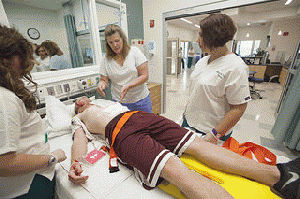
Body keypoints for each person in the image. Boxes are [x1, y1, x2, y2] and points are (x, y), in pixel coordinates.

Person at [68, 96, 300, 199]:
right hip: (120, 133)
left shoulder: (107, 103)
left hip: (141, 117)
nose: (80, 102)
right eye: (76, 104)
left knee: (198, 145)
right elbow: (79, 141)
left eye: (82, 99)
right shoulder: (80, 119)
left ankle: (278, 175)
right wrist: (75, 165)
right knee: (175, 170)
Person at [0, 25, 67, 199]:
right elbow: (4, 163)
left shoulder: (6, 94)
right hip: (27, 186)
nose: (24, 65)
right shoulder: (4, 99)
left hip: (31, 178)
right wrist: (52, 157)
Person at [182, 13, 251, 144]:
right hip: (189, 122)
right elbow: (196, 90)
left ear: (214, 37)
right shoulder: (203, 61)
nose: (197, 40)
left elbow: (239, 108)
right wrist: (186, 112)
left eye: (201, 35)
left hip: (210, 131)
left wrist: (214, 135)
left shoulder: (236, 67)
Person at [97, 24, 152, 113]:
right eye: (111, 42)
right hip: (120, 102)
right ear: (107, 43)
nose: (115, 45)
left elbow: (145, 75)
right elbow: (104, 79)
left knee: (145, 126)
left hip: (140, 100)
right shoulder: (105, 60)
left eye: (117, 40)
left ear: (123, 39)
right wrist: (101, 84)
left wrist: (129, 85)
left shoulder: (134, 52)